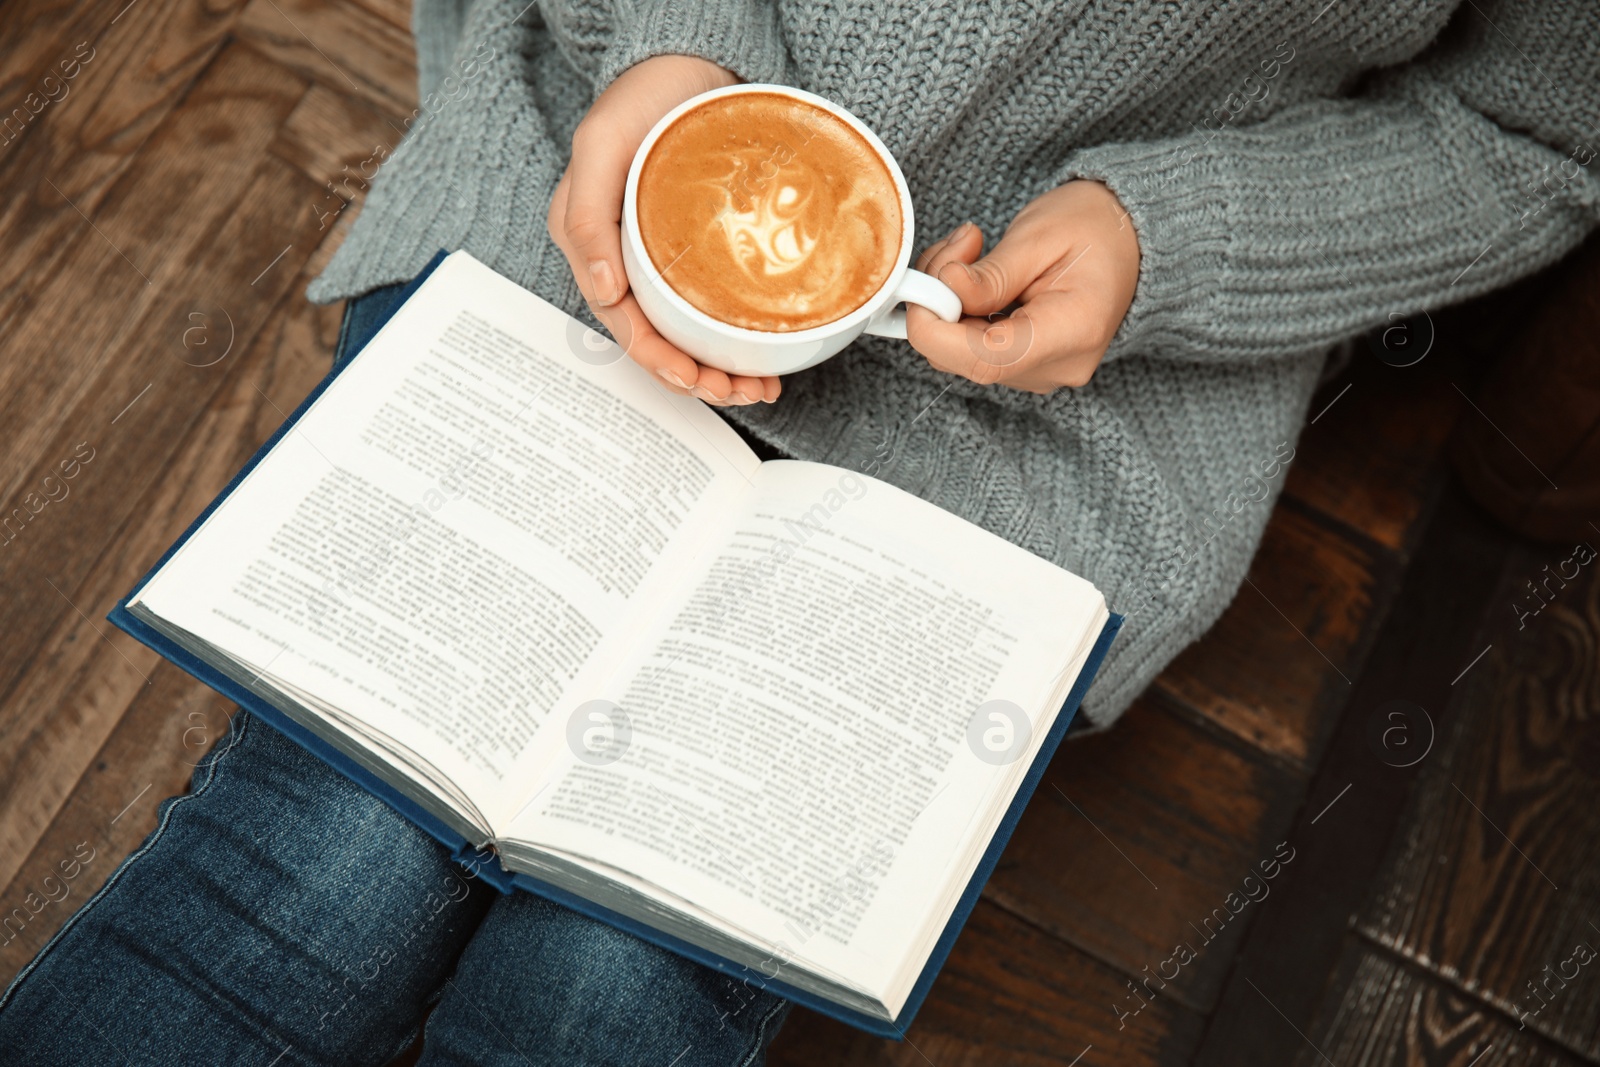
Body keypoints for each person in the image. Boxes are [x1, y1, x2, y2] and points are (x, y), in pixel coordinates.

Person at [2, 1, 1595, 1063]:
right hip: (594, 179)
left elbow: (1542, 129)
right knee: (317, 855)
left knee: (613, 991)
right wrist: (676, 40)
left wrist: (1174, 242)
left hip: (1060, 401)